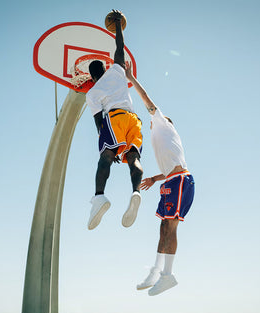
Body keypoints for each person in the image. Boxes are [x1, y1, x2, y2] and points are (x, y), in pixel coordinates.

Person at [125, 62, 195, 296]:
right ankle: (156, 270)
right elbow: (169, 167)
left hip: (181, 181)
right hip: (170, 181)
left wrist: (130, 78)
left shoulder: (164, 125)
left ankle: (168, 275)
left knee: (170, 225)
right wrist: (155, 178)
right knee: (163, 227)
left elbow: (147, 99)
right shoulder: (159, 138)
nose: (152, 117)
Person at [85, 10, 143, 230]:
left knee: (105, 157)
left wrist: (110, 151)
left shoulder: (92, 93)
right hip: (133, 119)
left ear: (91, 76)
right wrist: (118, 24)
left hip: (115, 117)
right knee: (133, 156)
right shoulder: (117, 70)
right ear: (105, 67)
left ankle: (99, 197)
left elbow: (101, 126)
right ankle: (136, 192)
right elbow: (120, 47)